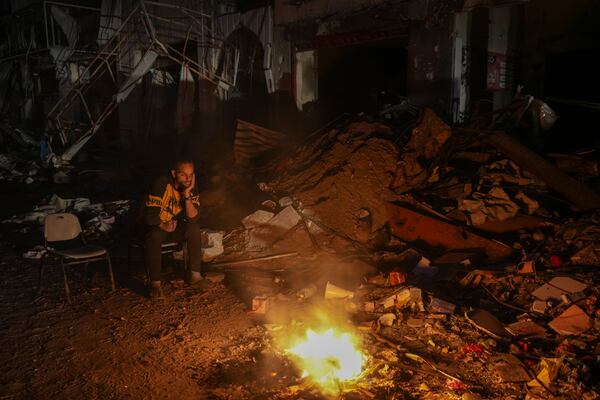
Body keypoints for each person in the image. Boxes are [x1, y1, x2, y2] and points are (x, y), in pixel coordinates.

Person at [142, 158, 204, 298]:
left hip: (173, 226)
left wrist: (187, 194)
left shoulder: (190, 185)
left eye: (191, 174)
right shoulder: (161, 183)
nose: (188, 178)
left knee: (193, 228)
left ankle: (195, 275)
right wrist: (163, 225)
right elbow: (150, 217)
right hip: (156, 226)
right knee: (154, 236)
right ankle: (155, 285)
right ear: (174, 173)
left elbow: (192, 217)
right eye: (183, 174)